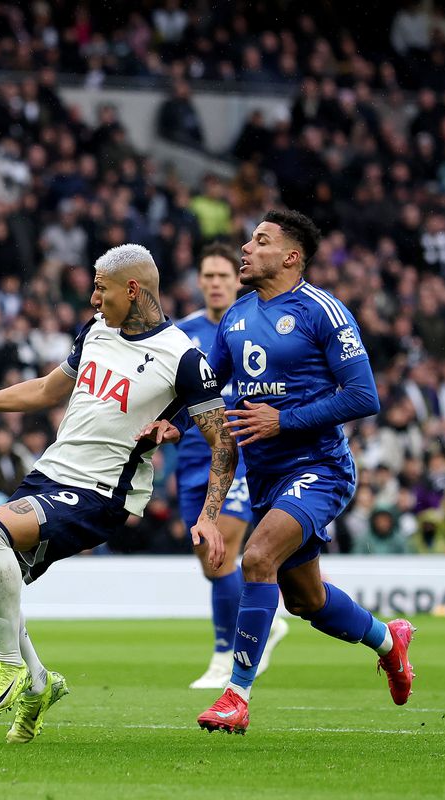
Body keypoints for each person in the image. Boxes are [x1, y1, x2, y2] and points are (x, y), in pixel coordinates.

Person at [0, 244, 236, 744]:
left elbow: (223, 443)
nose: (92, 298)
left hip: (102, 492)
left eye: (101, 289)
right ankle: (39, 682)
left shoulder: (182, 357)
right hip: (51, 475)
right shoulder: (96, 330)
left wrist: (210, 516)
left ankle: (10, 666)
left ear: (132, 290)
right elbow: (45, 391)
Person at [194, 209, 414, 734]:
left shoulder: (324, 310)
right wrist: (170, 423)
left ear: (291, 257)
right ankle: (389, 641)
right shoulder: (238, 317)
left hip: (319, 468)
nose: (246, 248)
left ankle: (236, 695)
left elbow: (365, 395)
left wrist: (283, 420)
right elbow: (206, 390)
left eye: (261, 241)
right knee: (306, 600)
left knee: (258, 555)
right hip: (268, 475)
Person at [174, 243, 289, 689]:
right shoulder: (182, 334)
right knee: (210, 560)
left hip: (239, 452)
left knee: (221, 555)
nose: (216, 283)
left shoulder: (253, 325)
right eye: (209, 276)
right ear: (200, 282)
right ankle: (266, 616)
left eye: (224, 275)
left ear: (235, 279)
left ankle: (226, 655)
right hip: (190, 458)